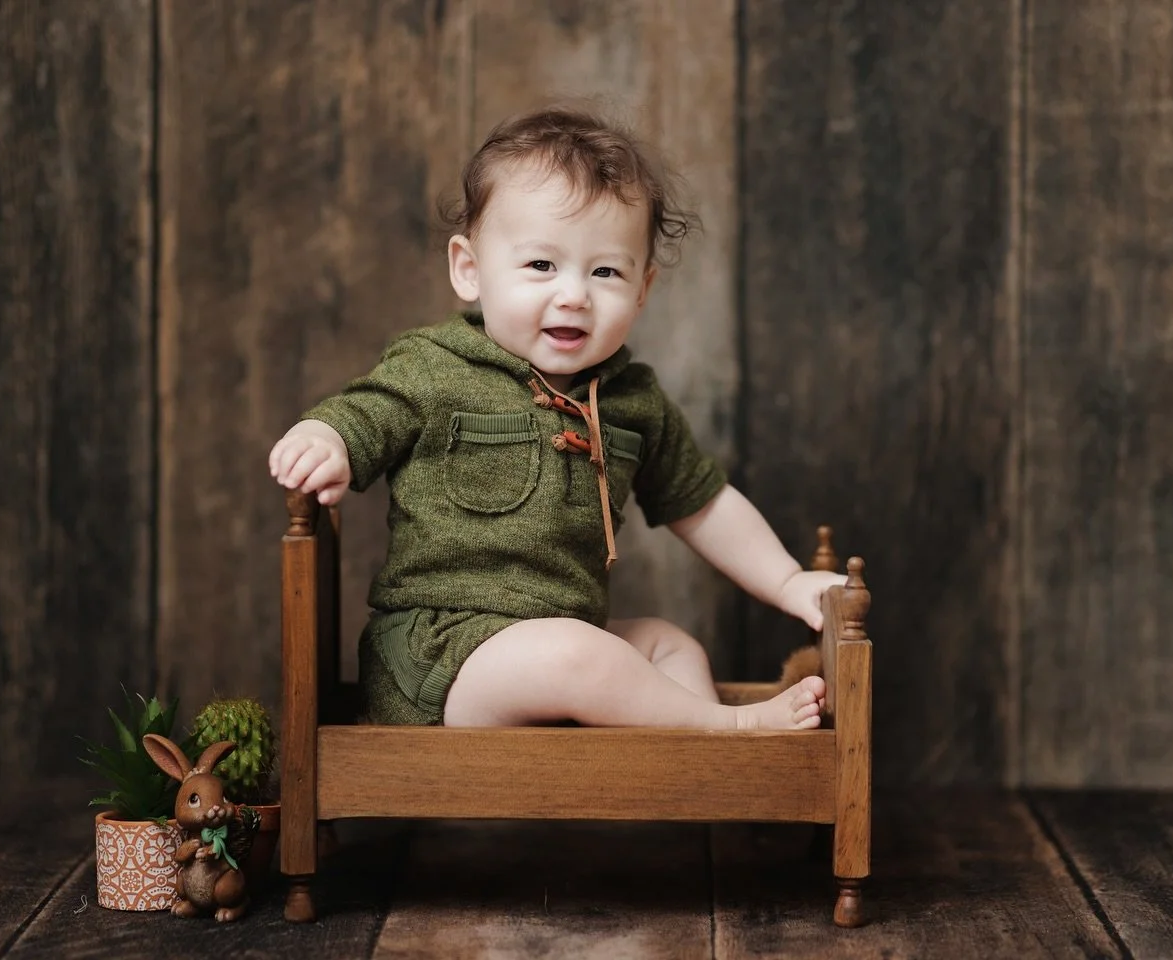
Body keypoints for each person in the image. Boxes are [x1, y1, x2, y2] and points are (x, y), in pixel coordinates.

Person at [268, 106, 844, 730]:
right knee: (579, 654)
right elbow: (370, 412)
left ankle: (699, 774)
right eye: (542, 265)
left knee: (668, 643)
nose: (573, 293)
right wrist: (329, 435)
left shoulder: (631, 398)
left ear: (642, 288)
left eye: (605, 271)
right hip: (439, 656)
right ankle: (728, 729)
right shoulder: (434, 368)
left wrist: (788, 581)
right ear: (470, 269)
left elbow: (703, 504)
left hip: (558, 643)